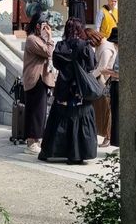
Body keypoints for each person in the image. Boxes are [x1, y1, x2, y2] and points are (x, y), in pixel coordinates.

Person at [39, 17, 97, 164]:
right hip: (80, 88)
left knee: (60, 117)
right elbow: (91, 65)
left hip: (64, 87)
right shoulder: (85, 45)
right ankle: (77, 154)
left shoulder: (60, 45)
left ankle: (54, 151)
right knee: (80, 116)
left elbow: (57, 65)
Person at [22, 12, 56, 155]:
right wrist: (50, 38)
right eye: (43, 25)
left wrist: (47, 38)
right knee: (35, 111)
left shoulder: (39, 39)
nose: (46, 28)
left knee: (40, 111)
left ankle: (36, 139)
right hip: (35, 79)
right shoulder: (31, 39)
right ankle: (31, 141)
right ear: (37, 25)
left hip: (41, 79)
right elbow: (48, 52)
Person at [85, 28, 116, 148]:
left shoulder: (105, 48)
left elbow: (102, 67)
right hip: (100, 82)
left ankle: (108, 137)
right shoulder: (102, 45)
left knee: (106, 112)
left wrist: (89, 77)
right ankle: (105, 136)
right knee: (102, 111)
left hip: (104, 83)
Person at [100, 27, 119, 147]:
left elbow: (119, 72)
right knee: (114, 113)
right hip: (115, 84)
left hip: (117, 83)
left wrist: (105, 71)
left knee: (116, 114)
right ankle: (114, 142)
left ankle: (116, 143)